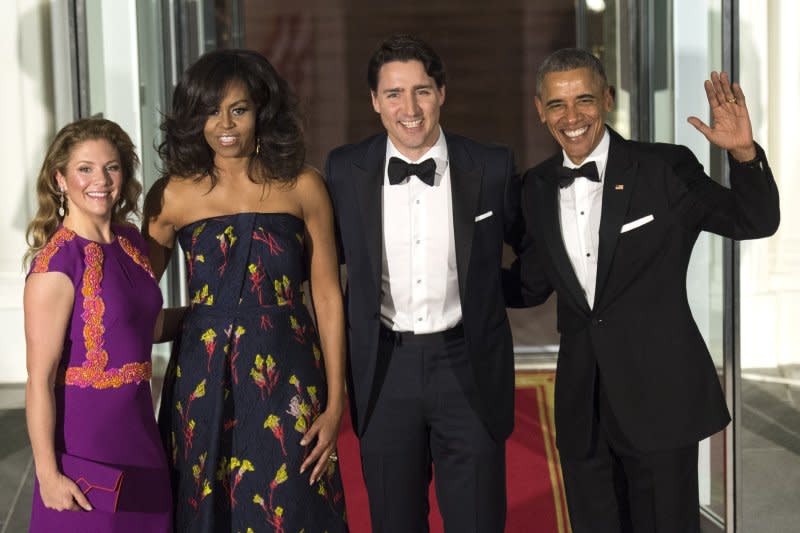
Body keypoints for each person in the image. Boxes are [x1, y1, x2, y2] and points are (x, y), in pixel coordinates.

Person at [512, 48, 780, 532]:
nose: (571, 117)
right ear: (539, 109)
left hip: (661, 400)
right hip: (583, 409)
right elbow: (530, 284)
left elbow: (754, 220)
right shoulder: (535, 186)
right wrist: (456, 276)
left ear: (608, 100)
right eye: (556, 104)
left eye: (584, 100)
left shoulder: (664, 169)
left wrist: (743, 155)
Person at [144, 48, 348, 532]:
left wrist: (336, 402)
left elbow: (327, 299)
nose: (225, 124)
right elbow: (135, 298)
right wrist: (181, 321)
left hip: (290, 372)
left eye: (239, 109)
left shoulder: (303, 186)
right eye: (210, 111)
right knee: (207, 508)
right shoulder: (172, 194)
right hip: (202, 376)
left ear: (262, 111)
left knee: (295, 503)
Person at [325, 34, 521, 533]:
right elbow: (326, 264)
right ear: (374, 101)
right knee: (393, 520)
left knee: (477, 520)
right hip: (383, 368)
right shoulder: (345, 170)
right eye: (393, 94)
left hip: (468, 362)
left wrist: (496, 295)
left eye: (422, 91)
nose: (408, 107)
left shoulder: (491, 166)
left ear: (442, 93)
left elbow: (533, 249)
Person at [24, 118, 172, 531]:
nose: (100, 180)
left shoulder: (132, 242)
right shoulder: (55, 265)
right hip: (87, 446)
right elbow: (38, 379)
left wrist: (221, 313)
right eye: (85, 168)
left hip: (142, 438)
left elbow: (152, 329)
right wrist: (48, 475)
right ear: (60, 179)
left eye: (112, 167)